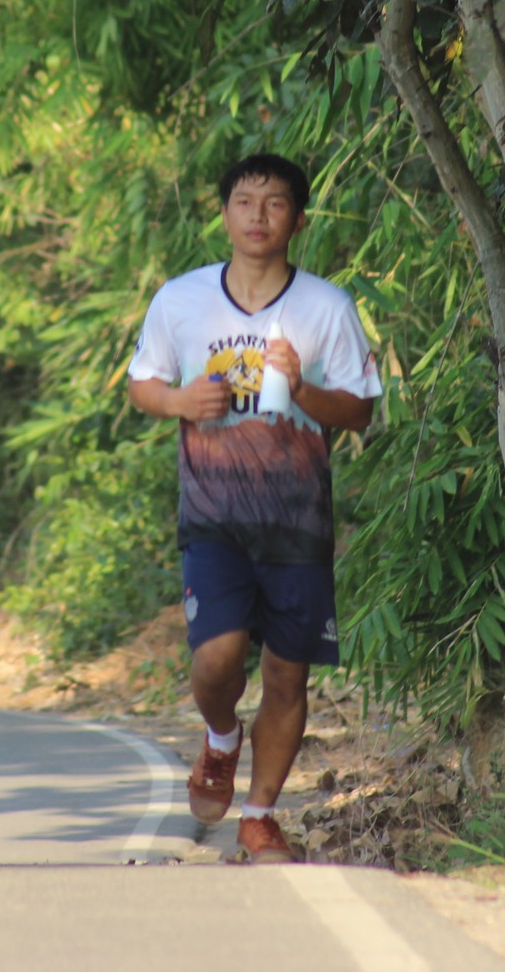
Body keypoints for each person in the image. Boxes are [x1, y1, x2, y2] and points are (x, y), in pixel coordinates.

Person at [126, 154, 380, 863]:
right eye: (245, 201)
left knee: (287, 674)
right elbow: (142, 380)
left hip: (297, 519)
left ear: (298, 219)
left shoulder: (326, 307)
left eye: (274, 204)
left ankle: (261, 814)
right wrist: (180, 400)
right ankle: (219, 737)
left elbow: (359, 411)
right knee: (216, 658)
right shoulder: (181, 300)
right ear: (225, 214)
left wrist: (303, 393)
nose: (258, 215)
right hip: (214, 513)